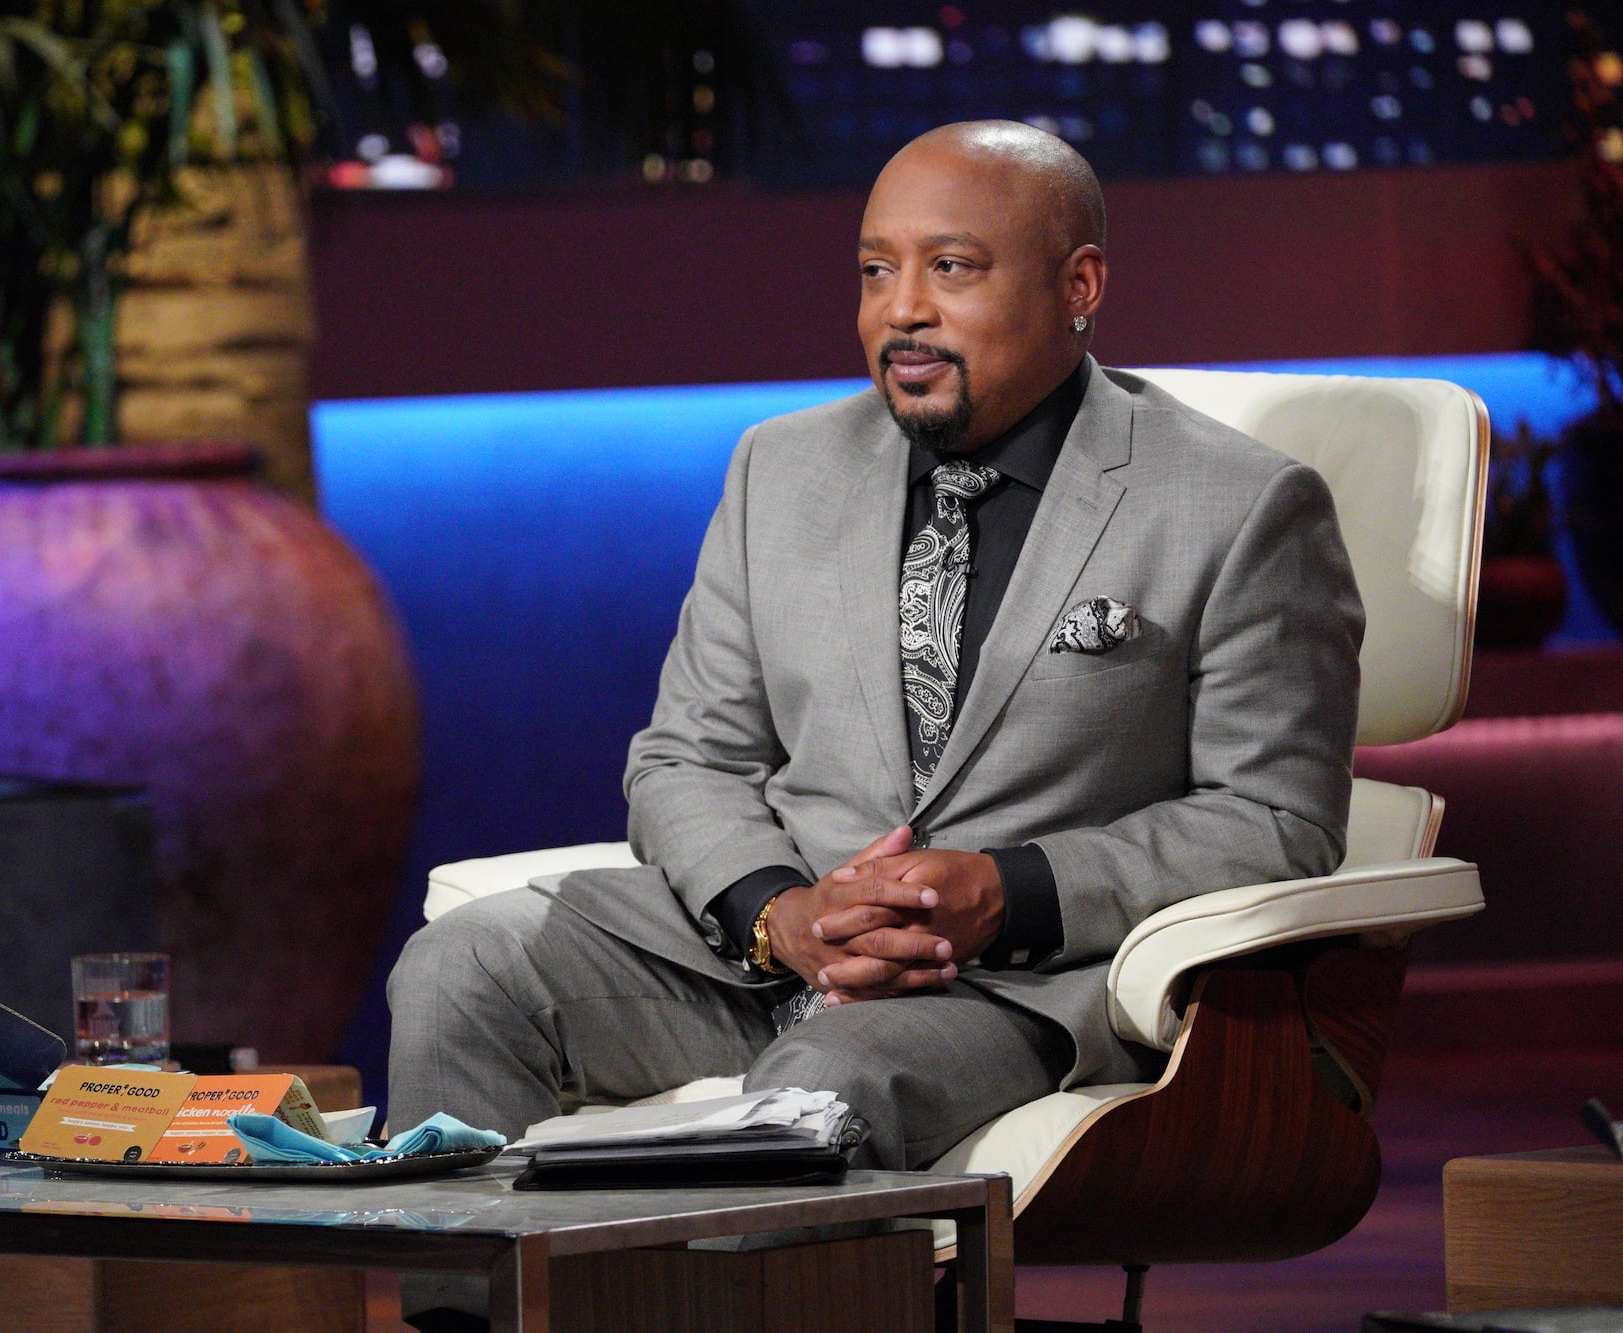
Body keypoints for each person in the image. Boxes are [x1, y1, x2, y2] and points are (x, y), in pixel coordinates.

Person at [387, 120, 1362, 1325]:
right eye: (873, 270)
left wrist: (1004, 890)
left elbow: (1274, 818)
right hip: (755, 958)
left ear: (1078, 286)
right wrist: (779, 915)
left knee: (828, 1078)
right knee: (463, 967)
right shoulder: (779, 467)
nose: (901, 310)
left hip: (1007, 989)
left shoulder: (1237, 504)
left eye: (950, 268)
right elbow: (686, 756)